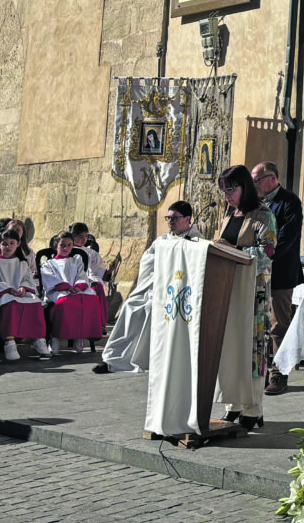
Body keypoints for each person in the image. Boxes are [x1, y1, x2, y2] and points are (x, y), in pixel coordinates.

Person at [94, 201, 202, 374]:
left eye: (175, 218)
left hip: (178, 293)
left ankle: (145, 359)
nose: (170, 221)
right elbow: (148, 262)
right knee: (131, 306)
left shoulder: (197, 242)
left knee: (151, 309)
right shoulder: (163, 241)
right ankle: (114, 359)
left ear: (187, 219)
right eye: (168, 218)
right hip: (153, 287)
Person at [214, 164, 276, 429]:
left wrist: (234, 250)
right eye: (224, 191)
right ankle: (233, 404)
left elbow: (267, 256)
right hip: (228, 290)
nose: (227, 196)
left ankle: (253, 408)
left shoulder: (263, 216)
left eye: (231, 190)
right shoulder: (230, 214)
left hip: (253, 294)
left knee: (252, 351)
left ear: (245, 187)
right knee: (230, 348)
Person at [249, 161, 303, 397]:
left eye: (257, 179)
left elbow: (286, 237)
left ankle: (279, 374)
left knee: (279, 324)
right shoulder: (253, 203)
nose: (254, 184)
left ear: (273, 178)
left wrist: (265, 258)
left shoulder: (289, 201)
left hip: (280, 271)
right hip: (253, 272)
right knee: (257, 323)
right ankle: (258, 372)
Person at [0, 229, 49, 361]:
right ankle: (9, 342)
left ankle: (38, 339)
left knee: (35, 303)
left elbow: (27, 279)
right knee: (10, 304)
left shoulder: (21, 263)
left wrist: (24, 287)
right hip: (1, 295)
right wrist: (8, 289)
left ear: (18, 244)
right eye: (5, 243)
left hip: (19, 293)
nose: (8, 246)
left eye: (12, 243)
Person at [39, 231, 102, 355]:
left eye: (69, 245)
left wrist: (78, 287)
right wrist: (67, 288)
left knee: (91, 300)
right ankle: (55, 337)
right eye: (62, 245)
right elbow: (50, 279)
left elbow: (82, 275)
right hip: (57, 292)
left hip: (77, 290)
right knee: (64, 303)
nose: (65, 248)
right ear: (56, 245)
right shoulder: (49, 264)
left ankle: (79, 334)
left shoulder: (76, 261)